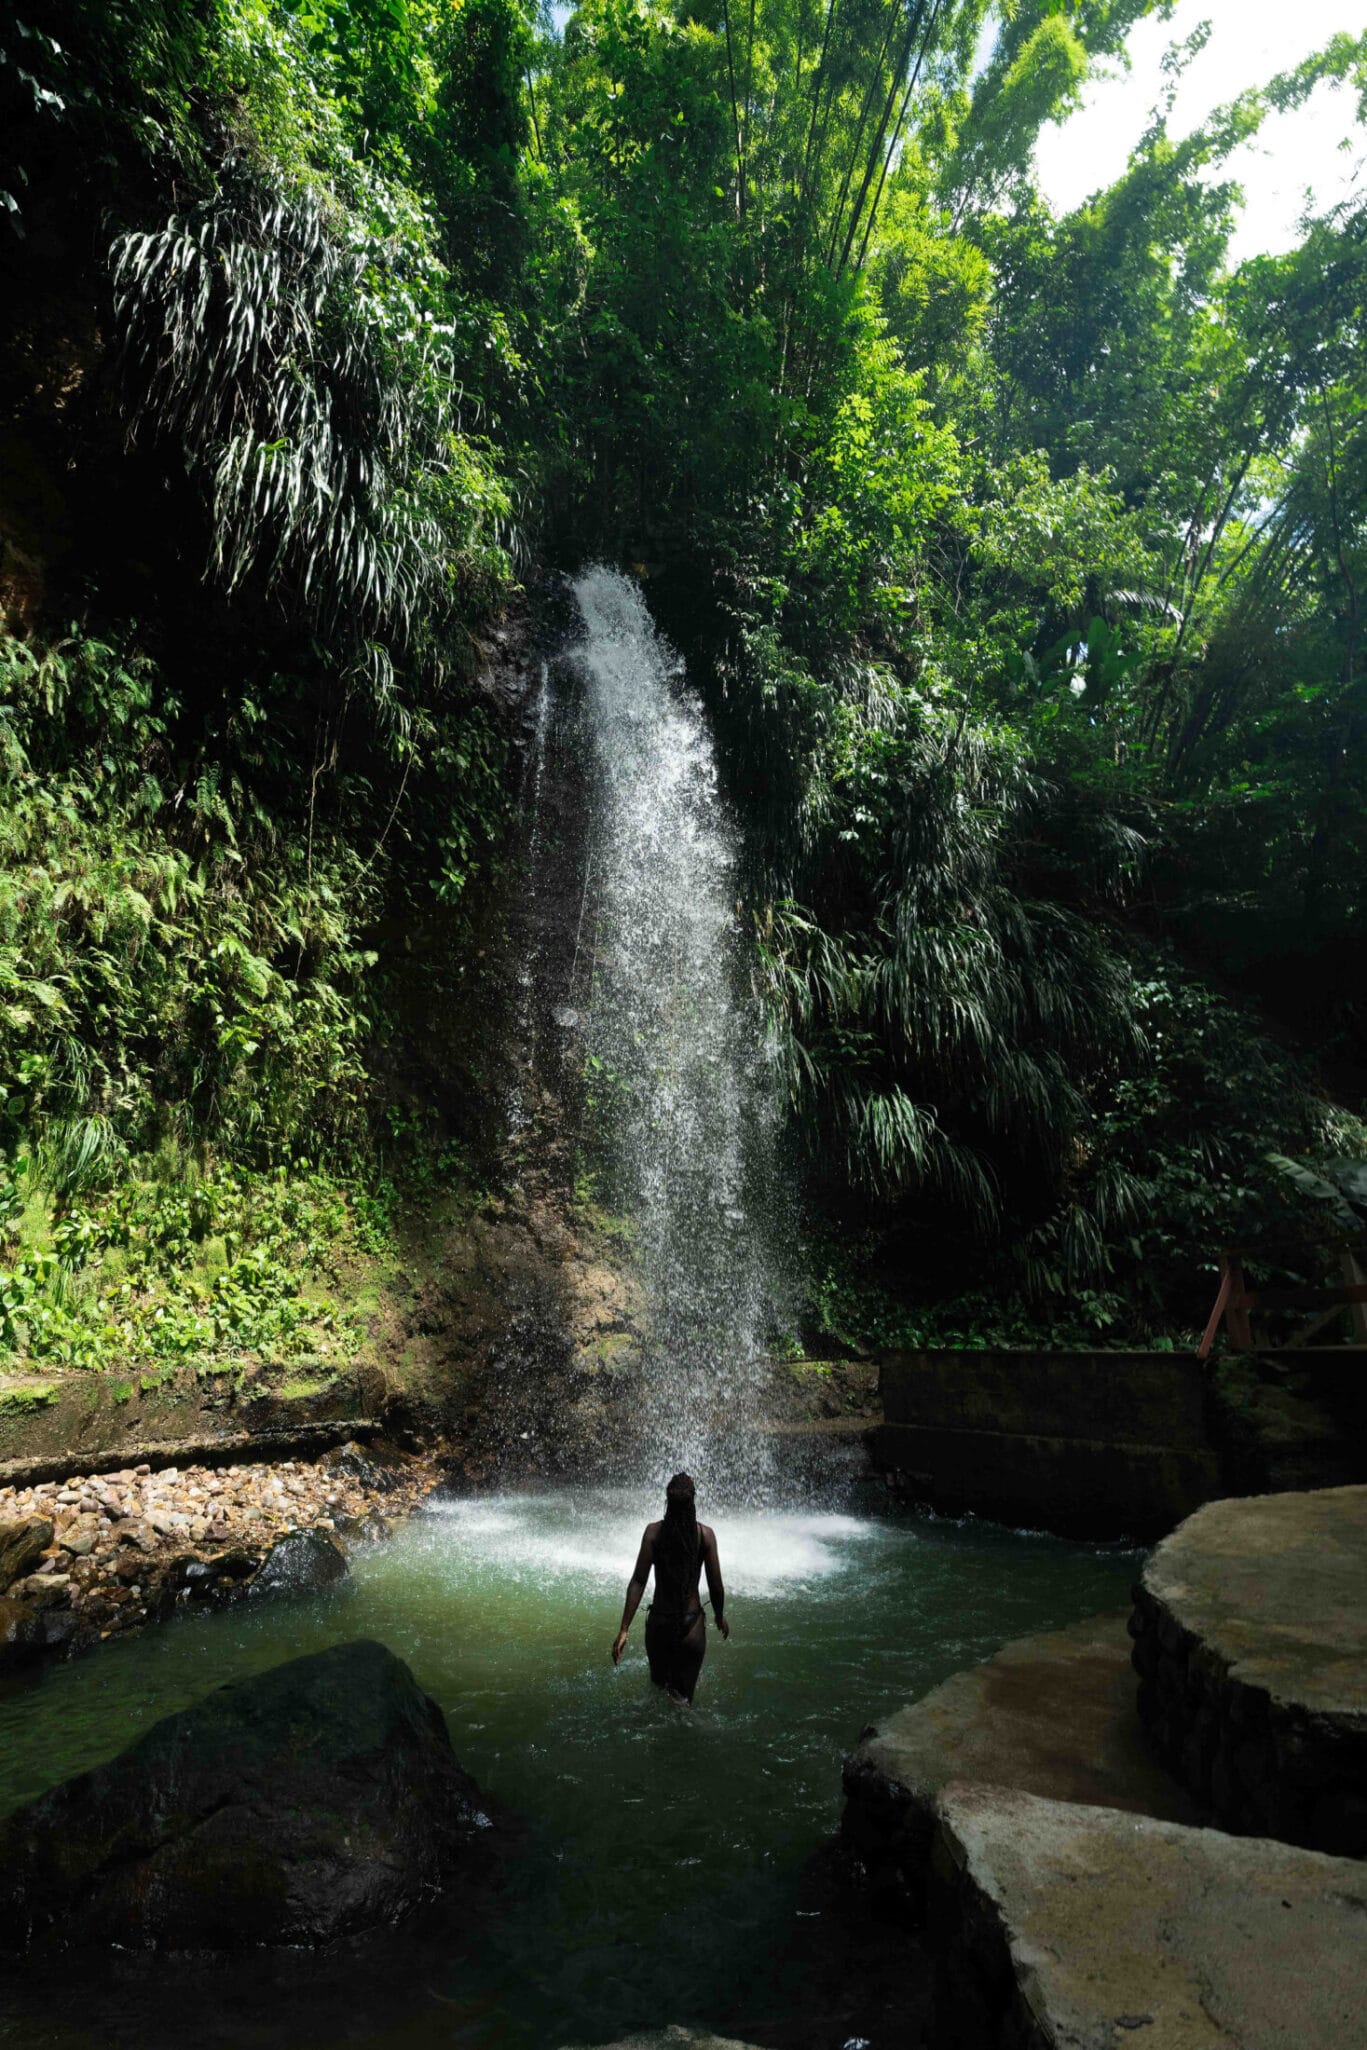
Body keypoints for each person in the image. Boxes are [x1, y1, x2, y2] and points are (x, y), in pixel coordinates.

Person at [611, 1472, 728, 1703]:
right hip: (691, 1625)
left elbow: (638, 1581)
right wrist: (719, 1615)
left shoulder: (653, 1533)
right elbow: (716, 1585)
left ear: (667, 1500)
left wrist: (624, 1628)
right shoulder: (704, 1535)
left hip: (659, 1624)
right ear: (693, 1500)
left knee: (658, 1691)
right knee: (683, 1700)